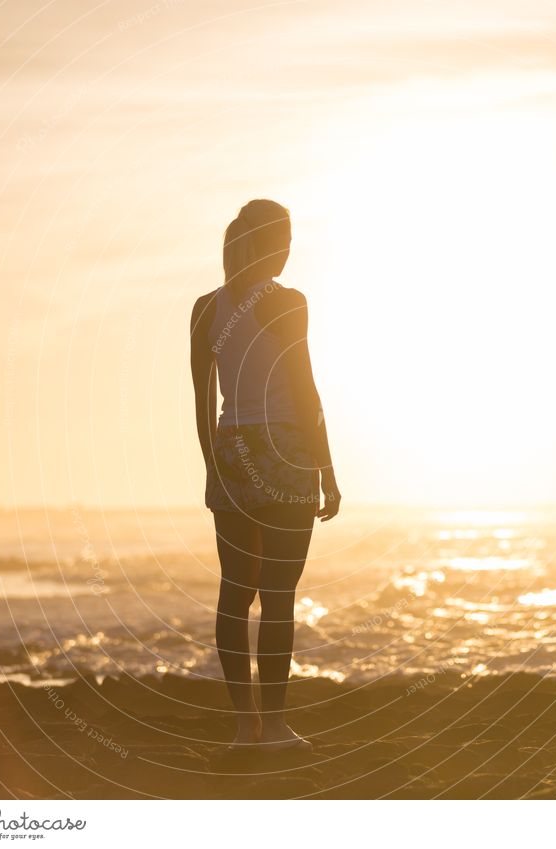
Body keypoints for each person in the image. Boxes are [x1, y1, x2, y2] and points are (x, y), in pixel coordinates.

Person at [189, 199, 340, 752]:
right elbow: (304, 389)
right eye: (287, 238)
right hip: (284, 451)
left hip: (232, 451)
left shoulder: (205, 308)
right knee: (278, 596)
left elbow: (203, 400)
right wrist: (327, 467)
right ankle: (273, 728)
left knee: (235, 594)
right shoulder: (288, 302)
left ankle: (242, 729)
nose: (291, 248)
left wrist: (212, 463)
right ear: (270, 243)